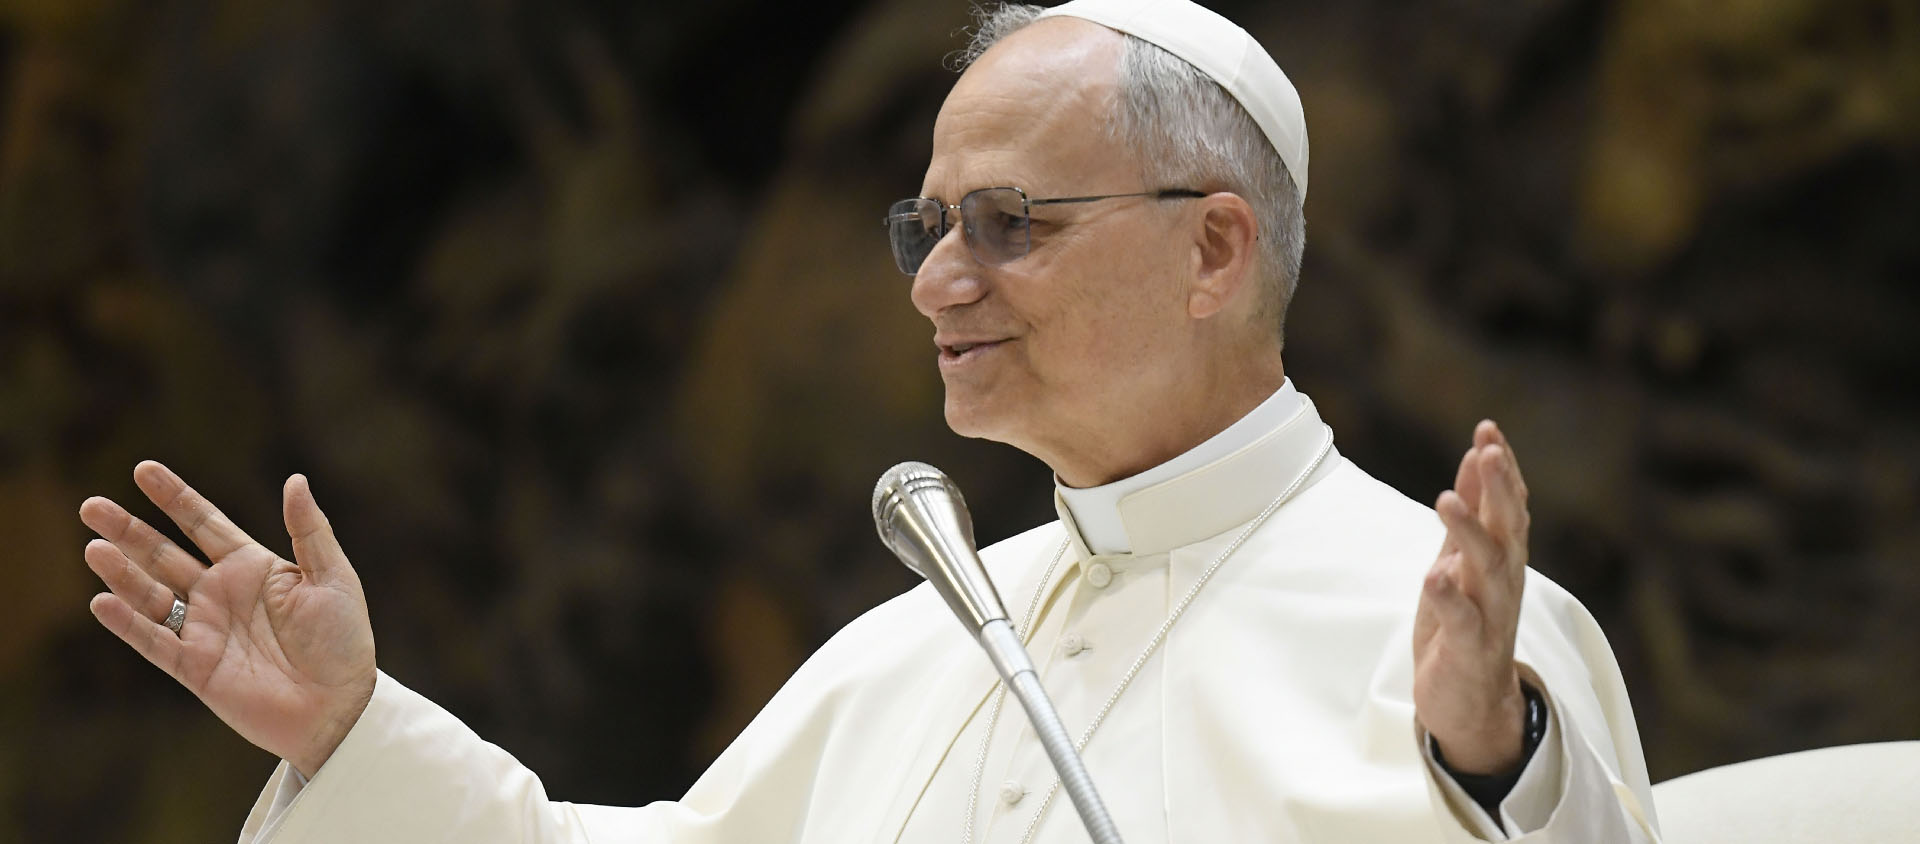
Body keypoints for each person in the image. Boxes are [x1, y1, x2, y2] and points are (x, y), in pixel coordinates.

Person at [77, 1, 1661, 841]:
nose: (936, 285)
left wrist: (1496, 765)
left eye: (1008, 225)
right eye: (925, 231)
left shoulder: (1436, 625)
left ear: (1215, 247)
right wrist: (352, 734)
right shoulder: (923, 645)